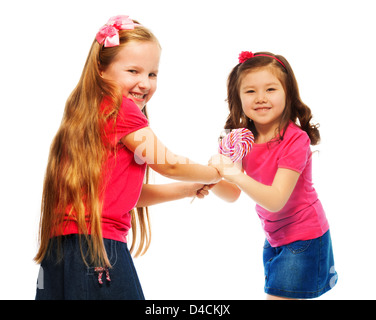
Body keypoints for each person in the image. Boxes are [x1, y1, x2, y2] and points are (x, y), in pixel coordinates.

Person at [34, 15, 220, 300]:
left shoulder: (86, 114)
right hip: (97, 250)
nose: (144, 83)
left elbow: (120, 194)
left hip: (60, 253)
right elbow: (167, 162)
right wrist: (214, 172)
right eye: (133, 71)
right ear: (101, 69)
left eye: (152, 74)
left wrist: (187, 189)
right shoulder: (120, 109)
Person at [209, 51, 337, 299]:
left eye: (270, 89)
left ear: (287, 92)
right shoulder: (243, 139)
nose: (260, 99)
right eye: (250, 91)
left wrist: (233, 174)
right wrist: (210, 179)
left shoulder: (294, 140)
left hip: (305, 238)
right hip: (274, 237)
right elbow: (233, 194)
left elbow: (276, 200)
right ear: (238, 97)